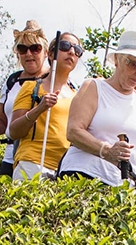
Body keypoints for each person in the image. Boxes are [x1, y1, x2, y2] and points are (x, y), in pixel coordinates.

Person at [59, 29, 136, 188]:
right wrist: (106, 150)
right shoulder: (93, 87)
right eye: (134, 63)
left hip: (121, 189)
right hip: (83, 176)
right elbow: (73, 131)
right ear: (117, 60)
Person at [8, 32, 82, 181]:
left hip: (64, 170)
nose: (72, 51)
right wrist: (39, 109)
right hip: (32, 163)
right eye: (65, 46)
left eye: (77, 49)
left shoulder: (78, 96)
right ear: (50, 54)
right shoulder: (32, 86)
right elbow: (14, 131)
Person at [0, 20, 50, 176]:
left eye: (35, 48)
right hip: (11, 157)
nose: (28, 54)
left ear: (45, 52)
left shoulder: (54, 80)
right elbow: (2, 120)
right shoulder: (12, 81)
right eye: (22, 49)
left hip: (43, 159)